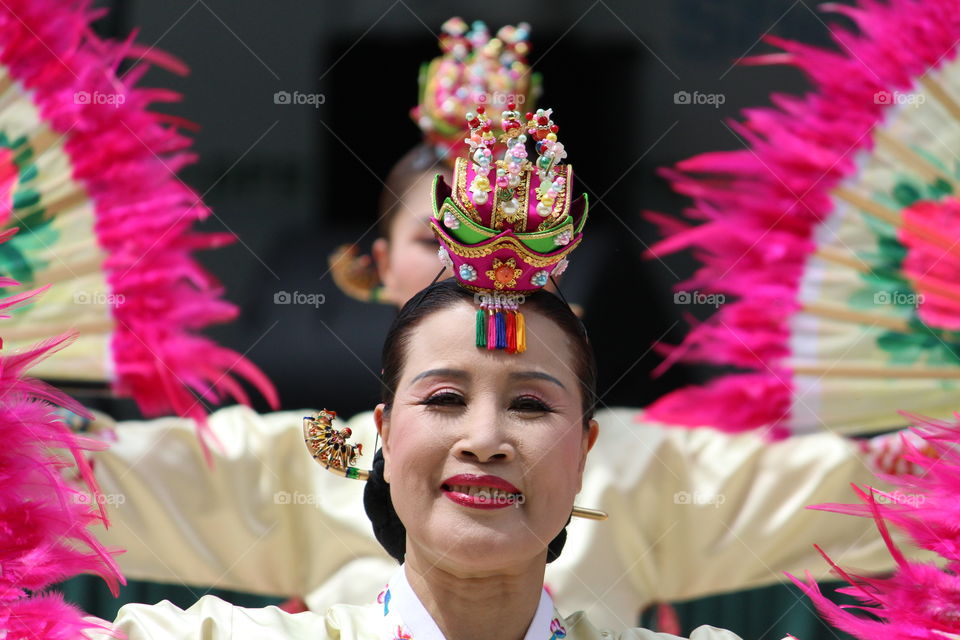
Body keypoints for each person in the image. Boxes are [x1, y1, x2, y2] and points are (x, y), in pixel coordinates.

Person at [84, 99, 933, 636]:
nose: (484, 441)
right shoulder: (304, 459)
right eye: (445, 398)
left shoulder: (645, 461)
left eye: (530, 406)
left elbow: (849, 492)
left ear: (585, 445)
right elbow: (108, 480)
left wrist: (922, 474)